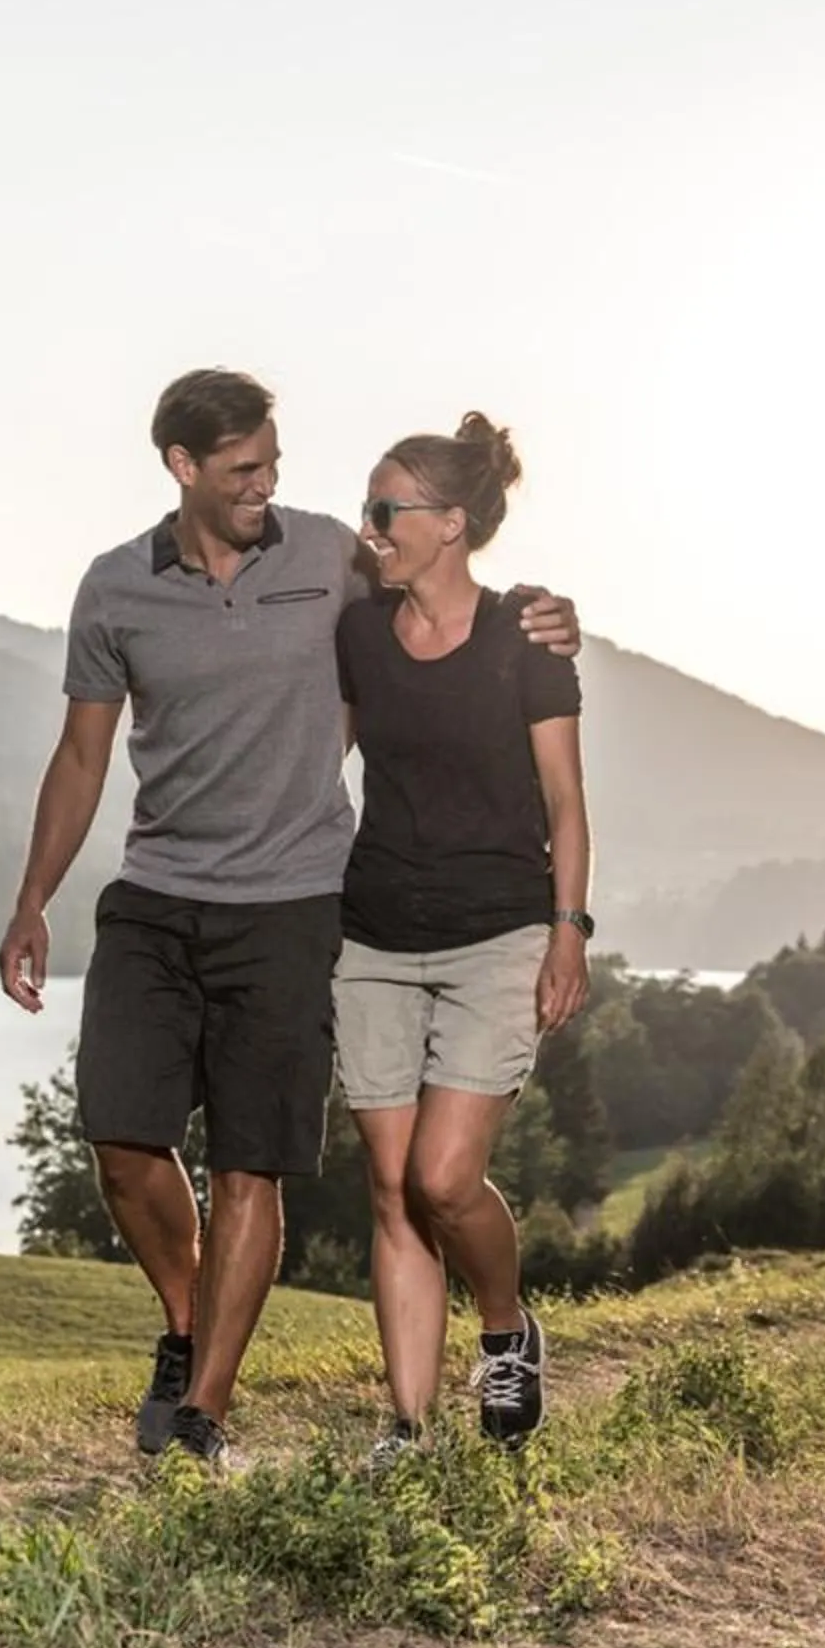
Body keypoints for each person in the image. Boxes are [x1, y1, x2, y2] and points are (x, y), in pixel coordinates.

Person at [0, 369, 577, 1467]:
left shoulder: (325, 554)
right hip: (158, 893)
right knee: (122, 1141)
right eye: (243, 468)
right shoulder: (115, 588)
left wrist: (552, 612)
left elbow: (449, 582)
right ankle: (189, 1320)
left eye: (272, 460)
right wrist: (33, 897)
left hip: (295, 902)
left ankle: (203, 1414)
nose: (267, 483)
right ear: (183, 467)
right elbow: (81, 754)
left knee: (252, 1165)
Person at [335, 412, 591, 1469]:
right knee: (391, 1189)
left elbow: (566, 802)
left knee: (445, 1177)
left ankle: (506, 1327)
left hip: (498, 935)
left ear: (449, 522)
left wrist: (568, 930)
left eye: (387, 508)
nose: (371, 525)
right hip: (374, 936)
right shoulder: (357, 632)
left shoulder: (525, 639)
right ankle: (408, 1426)